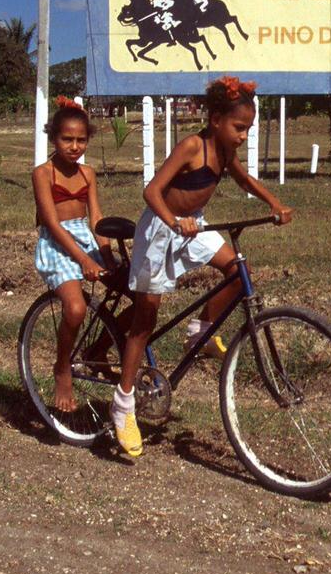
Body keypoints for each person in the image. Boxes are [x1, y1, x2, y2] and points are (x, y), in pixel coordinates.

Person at [112, 76, 293, 457]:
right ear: (215, 119)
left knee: (237, 270)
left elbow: (243, 178)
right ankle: (123, 406)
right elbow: (151, 191)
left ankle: (201, 331)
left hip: (194, 224)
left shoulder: (226, 152)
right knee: (145, 322)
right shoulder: (193, 145)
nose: (243, 135)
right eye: (238, 127)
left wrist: (273, 203)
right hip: (161, 229)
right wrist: (174, 222)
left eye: (248, 129)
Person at [31, 97, 116, 415]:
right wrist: (83, 260)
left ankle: (101, 350)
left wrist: (105, 254)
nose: (74, 146)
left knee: (137, 291)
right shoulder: (43, 173)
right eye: (67, 139)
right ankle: (62, 367)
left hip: (85, 240)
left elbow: (96, 218)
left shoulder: (88, 174)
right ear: (54, 138)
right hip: (57, 244)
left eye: (81, 140)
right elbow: (51, 222)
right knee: (76, 307)